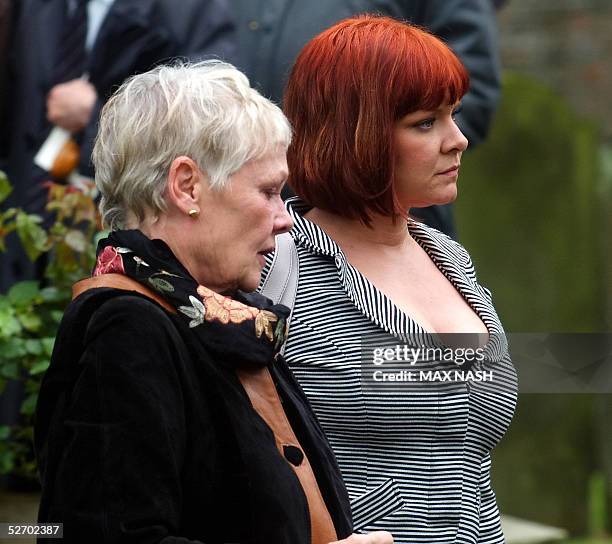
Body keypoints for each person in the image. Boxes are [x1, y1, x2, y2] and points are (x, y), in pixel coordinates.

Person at [34, 61, 394, 544]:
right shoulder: (129, 328)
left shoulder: (214, 315)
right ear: (187, 187)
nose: (284, 218)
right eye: (267, 191)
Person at [261, 16, 518, 543]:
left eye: (455, 115)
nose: (459, 140)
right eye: (426, 123)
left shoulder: (448, 255)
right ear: (354, 132)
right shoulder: (276, 266)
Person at [0, 0, 235, 293]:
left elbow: (207, 119)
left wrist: (96, 117)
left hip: (124, 241)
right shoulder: (32, 8)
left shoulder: (193, 10)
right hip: (20, 239)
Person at [231, 0, 502, 238]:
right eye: (427, 123)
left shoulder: (452, 263)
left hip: (397, 211)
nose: (458, 141)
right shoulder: (287, 275)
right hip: (258, 211)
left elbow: (472, 86)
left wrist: (375, 173)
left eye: (449, 116)